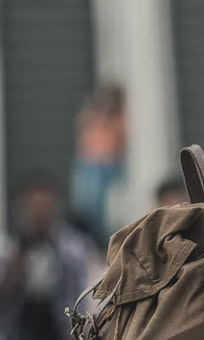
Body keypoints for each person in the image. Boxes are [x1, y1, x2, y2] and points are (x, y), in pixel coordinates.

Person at [0, 174, 101, 340]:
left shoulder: (74, 245)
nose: (39, 214)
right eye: (33, 208)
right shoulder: (9, 248)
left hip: (61, 328)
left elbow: (91, 288)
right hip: (19, 329)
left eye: (44, 207)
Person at [69, 84, 129, 251]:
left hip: (108, 166)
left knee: (102, 212)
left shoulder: (118, 119)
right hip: (89, 164)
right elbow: (82, 131)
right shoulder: (91, 117)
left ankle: (101, 243)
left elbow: (120, 141)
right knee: (84, 206)